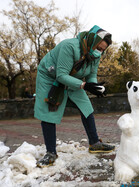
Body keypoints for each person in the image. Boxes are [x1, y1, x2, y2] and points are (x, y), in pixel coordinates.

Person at [34, 25, 115, 168]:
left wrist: (94, 87)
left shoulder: (94, 54)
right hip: (50, 76)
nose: (100, 52)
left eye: (103, 50)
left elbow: (91, 74)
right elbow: (61, 75)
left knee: (86, 106)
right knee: (49, 110)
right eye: (99, 47)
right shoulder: (69, 46)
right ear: (93, 40)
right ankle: (51, 152)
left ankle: (95, 143)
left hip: (73, 79)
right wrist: (84, 85)